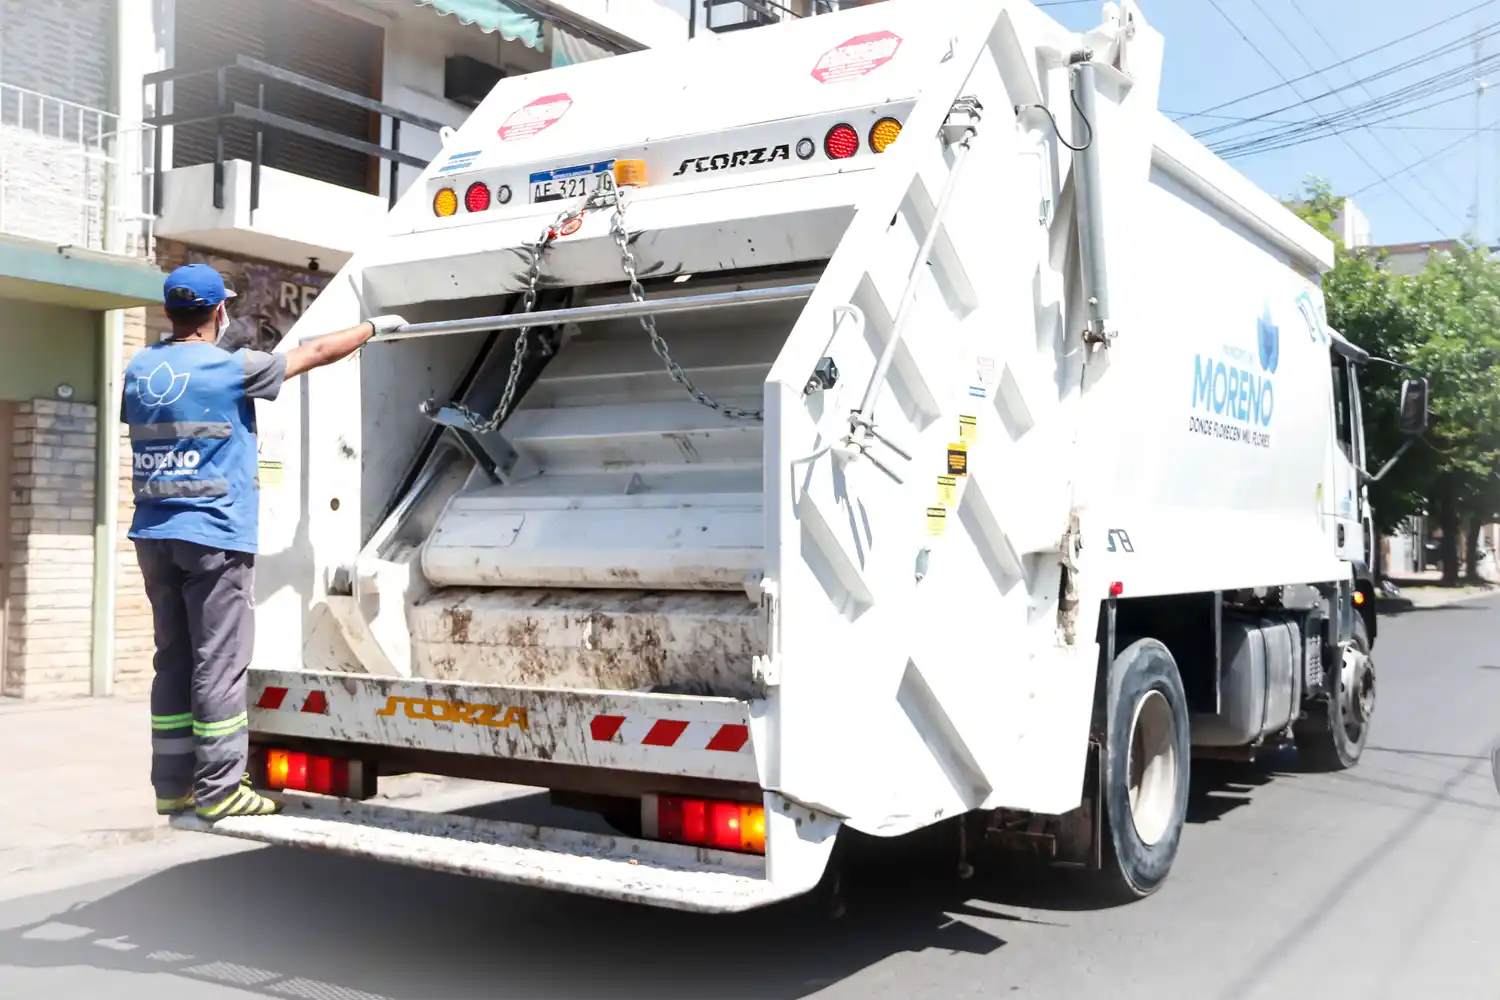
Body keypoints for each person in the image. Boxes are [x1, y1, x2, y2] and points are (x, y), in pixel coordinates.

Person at [122, 263, 404, 821]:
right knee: (219, 665)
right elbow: (315, 353)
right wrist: (373, 329)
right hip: (213, 537)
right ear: (218, 311)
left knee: (173, 661)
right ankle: (222, 788)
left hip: (154, 535)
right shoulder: (227, 368)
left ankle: (172, 785)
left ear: (169, 310)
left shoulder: (140, 369)